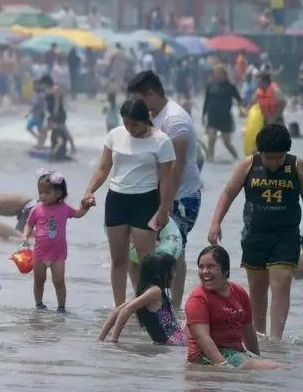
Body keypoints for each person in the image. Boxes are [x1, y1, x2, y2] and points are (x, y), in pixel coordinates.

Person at [207, 123, 302, 341]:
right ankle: (259, 338)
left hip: (286, 236)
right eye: (269, 158)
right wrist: (215, 223)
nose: (274, 163)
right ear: (260, 152)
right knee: (257, 290)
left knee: (283, 281)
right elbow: (228, 193)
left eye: (279, 158)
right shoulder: (248, 165)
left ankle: (276, 339)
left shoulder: (297, 166)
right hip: (254, 236)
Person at [82, 99, 175, 307]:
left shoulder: (162, 141)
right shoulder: (115, 135)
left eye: (135, 125)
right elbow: (103, 168)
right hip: (116, 200)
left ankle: (149, 308)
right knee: (118, 259)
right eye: (127, 124)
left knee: (146, 262)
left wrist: (164, 209)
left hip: (146, 201)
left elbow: (167, 179)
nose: (130, 129)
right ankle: (119, 307)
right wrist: (89, 191)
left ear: (146, 120)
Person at [128, 70, 203, 308]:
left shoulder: (175, 120)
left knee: (174, 250)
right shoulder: (154, 116)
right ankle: (148, 302)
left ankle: (176, 307)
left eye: (138, 98)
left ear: (150, 94)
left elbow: (177, 167)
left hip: (181, 197)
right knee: (141, 250)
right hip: (156, 194)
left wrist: (166, 202)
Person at [185, 245, 283, 369]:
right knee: (274, 368)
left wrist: (257, 358)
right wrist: (222, 364)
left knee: (273, 366)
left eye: (211, 266)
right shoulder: (198, 298)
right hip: (204, 355)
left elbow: (248, 329)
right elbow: (202, 337)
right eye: (201, 267)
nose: (204, 271)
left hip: (235, 351)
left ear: (225, 270)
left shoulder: (239, 292)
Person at [22, 170, 87, 312]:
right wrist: (25, 236)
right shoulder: (37, 209)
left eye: (47, 192)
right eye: (40, 192)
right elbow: (29, 223)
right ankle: (39, 304)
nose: (43, 196)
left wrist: (86, 206)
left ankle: (61, 307)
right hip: (39, 253)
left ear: (58, 193)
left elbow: (78, 213)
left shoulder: (64, 208)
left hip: (58, 255)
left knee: (59, 281)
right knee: (39, 281)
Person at [98, 252, 186, 346]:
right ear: (160, 273)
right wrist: (113, 340)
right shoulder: (155, 291)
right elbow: (126, 310)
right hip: (177, 341)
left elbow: (116, 313)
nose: (174, 275)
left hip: (173, 339)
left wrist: (100, 338)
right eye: (171, 271)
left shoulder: (146, 295)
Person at [201, 64, 241, 162]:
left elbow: (239, 99)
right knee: (211, 139)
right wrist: (203, 115)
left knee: (227, 142)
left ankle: (236, 157)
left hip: (225, 116)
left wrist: (242, 108)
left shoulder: (230, 86)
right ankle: (210, 157)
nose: (217, 75)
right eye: (216, 73)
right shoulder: (210, 85)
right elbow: (206, 101)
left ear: (224, 74)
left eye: (220, 73)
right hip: (212, 115)